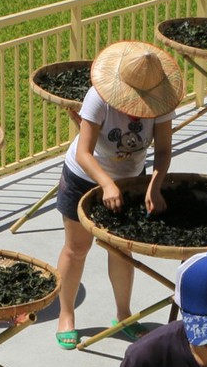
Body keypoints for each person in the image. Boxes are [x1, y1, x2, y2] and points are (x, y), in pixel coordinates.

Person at [54, 40, 183, 350]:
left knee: (121, 249)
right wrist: (106, 184)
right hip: (85, 177)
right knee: (77, 247)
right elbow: (84, 152)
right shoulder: (98, 97)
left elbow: (163, 151)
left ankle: (123, 315)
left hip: (129, 179)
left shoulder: (161, 103)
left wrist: (154, 185)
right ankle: (66, 314)